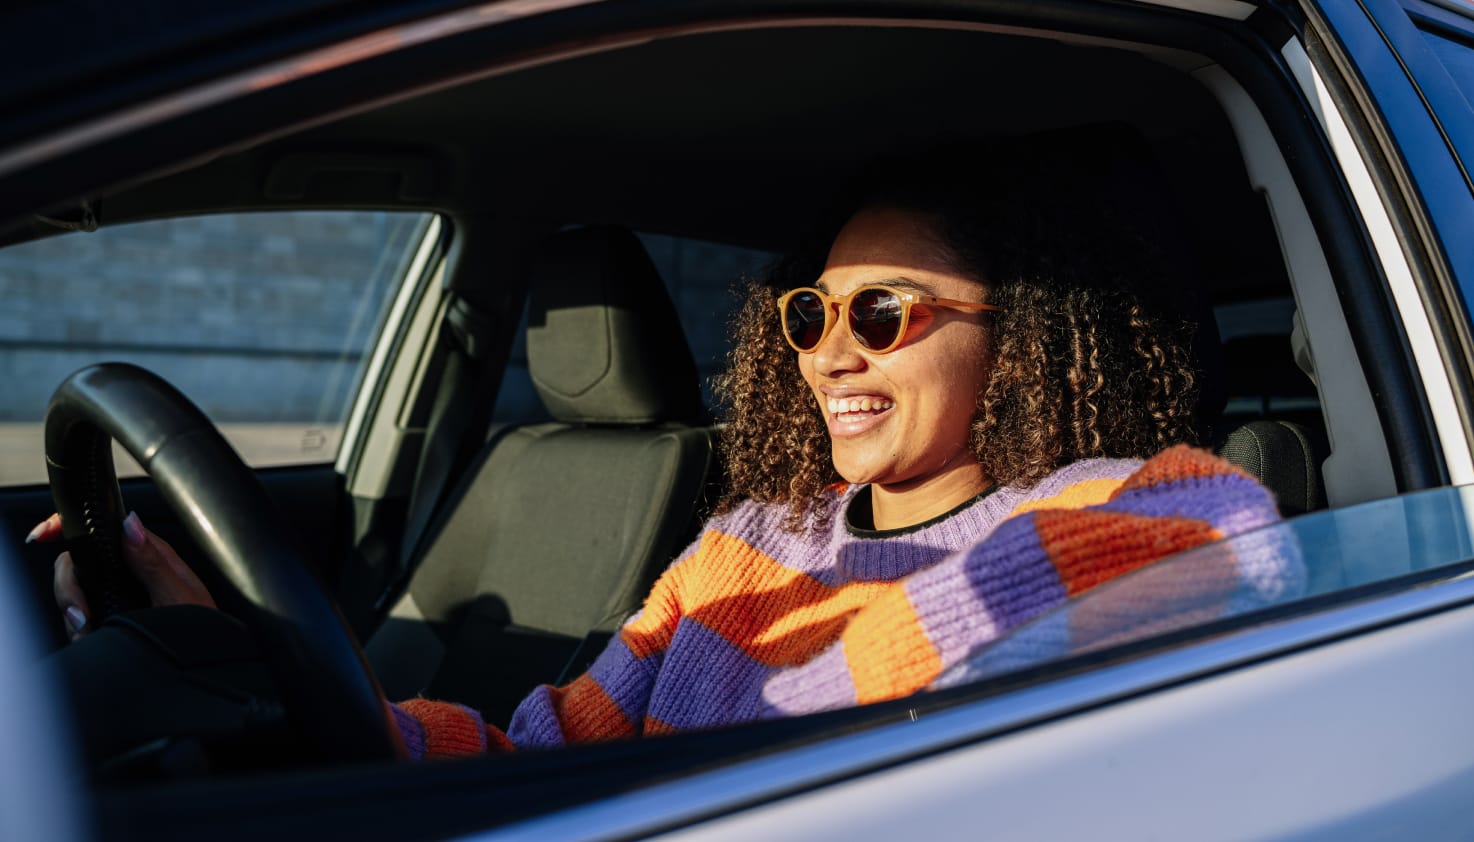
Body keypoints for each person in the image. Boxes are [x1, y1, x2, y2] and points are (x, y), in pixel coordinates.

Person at [36, 149, 1286, 759]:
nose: (830, 355)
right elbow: (541, 748)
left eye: (883, 312)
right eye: (809, 314)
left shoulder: (1109, 501)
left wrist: (812, 685)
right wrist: (253, 647)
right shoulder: (748, 544)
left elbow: (1227, 528)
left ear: (1018, 343)